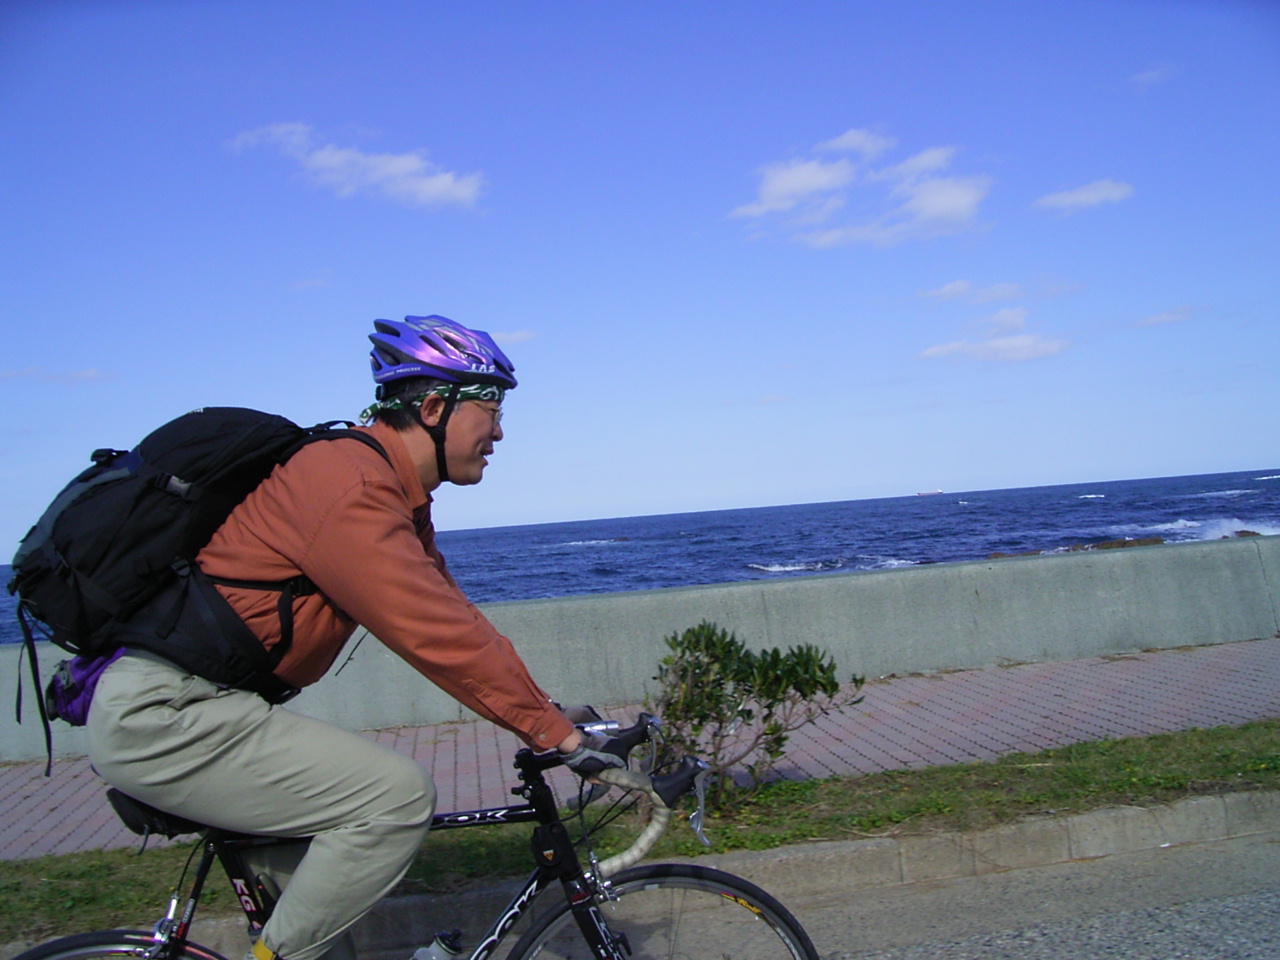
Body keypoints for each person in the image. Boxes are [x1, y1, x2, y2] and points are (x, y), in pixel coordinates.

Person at [85, 315, 624, 960]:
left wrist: (547, 712)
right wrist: (559, 738)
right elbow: (434, 634)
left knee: (328, 929)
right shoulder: (350, 484)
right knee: (395, 798)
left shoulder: (393, 491)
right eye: (492, 409)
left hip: (210, 710)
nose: (500, 432)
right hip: (168, 716)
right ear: (433, 407)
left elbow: (454, 615)